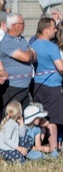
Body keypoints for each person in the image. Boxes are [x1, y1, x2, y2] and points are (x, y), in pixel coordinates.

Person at [31, 17, 63, 155]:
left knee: (40, 117)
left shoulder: (33, 44)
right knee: (52, 119)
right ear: (46, 30)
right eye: (53, 28)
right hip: (53, 86)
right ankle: (54, 149)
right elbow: (61, 68)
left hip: (38, 85)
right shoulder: (52, 46)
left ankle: (39, 145)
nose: (55, 30)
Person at [0, 13, 35, 108]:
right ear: (14, 26)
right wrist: (30, 53)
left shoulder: (22, 39)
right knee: (11, 117)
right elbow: (27, 58)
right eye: (22, 23)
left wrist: (29, 54)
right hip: (13, 87)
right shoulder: (6, 42)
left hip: (25, 87)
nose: (24, 26)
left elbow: (34, 57)